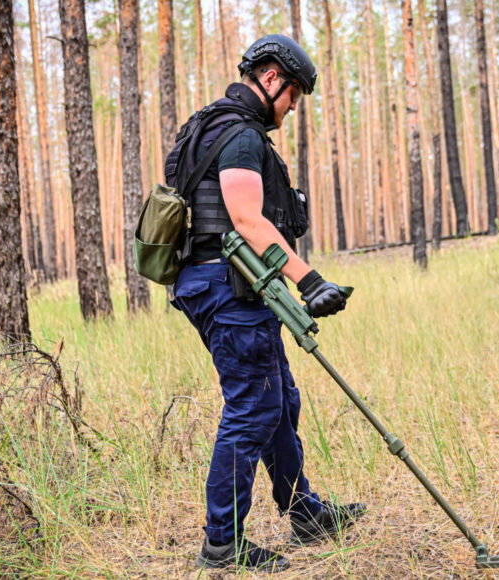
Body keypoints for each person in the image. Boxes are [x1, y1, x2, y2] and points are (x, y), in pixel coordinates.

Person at [165, 34, 365, 573]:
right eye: (293, 95)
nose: (292, 108)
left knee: (277, 399)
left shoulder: (209, 124)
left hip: (222, 286)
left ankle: (305, 513)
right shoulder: (240, 136)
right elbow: (248, 219)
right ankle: (222, 544)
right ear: (271, 77)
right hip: (226, 289)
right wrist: (309, 280)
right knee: (253, 406)